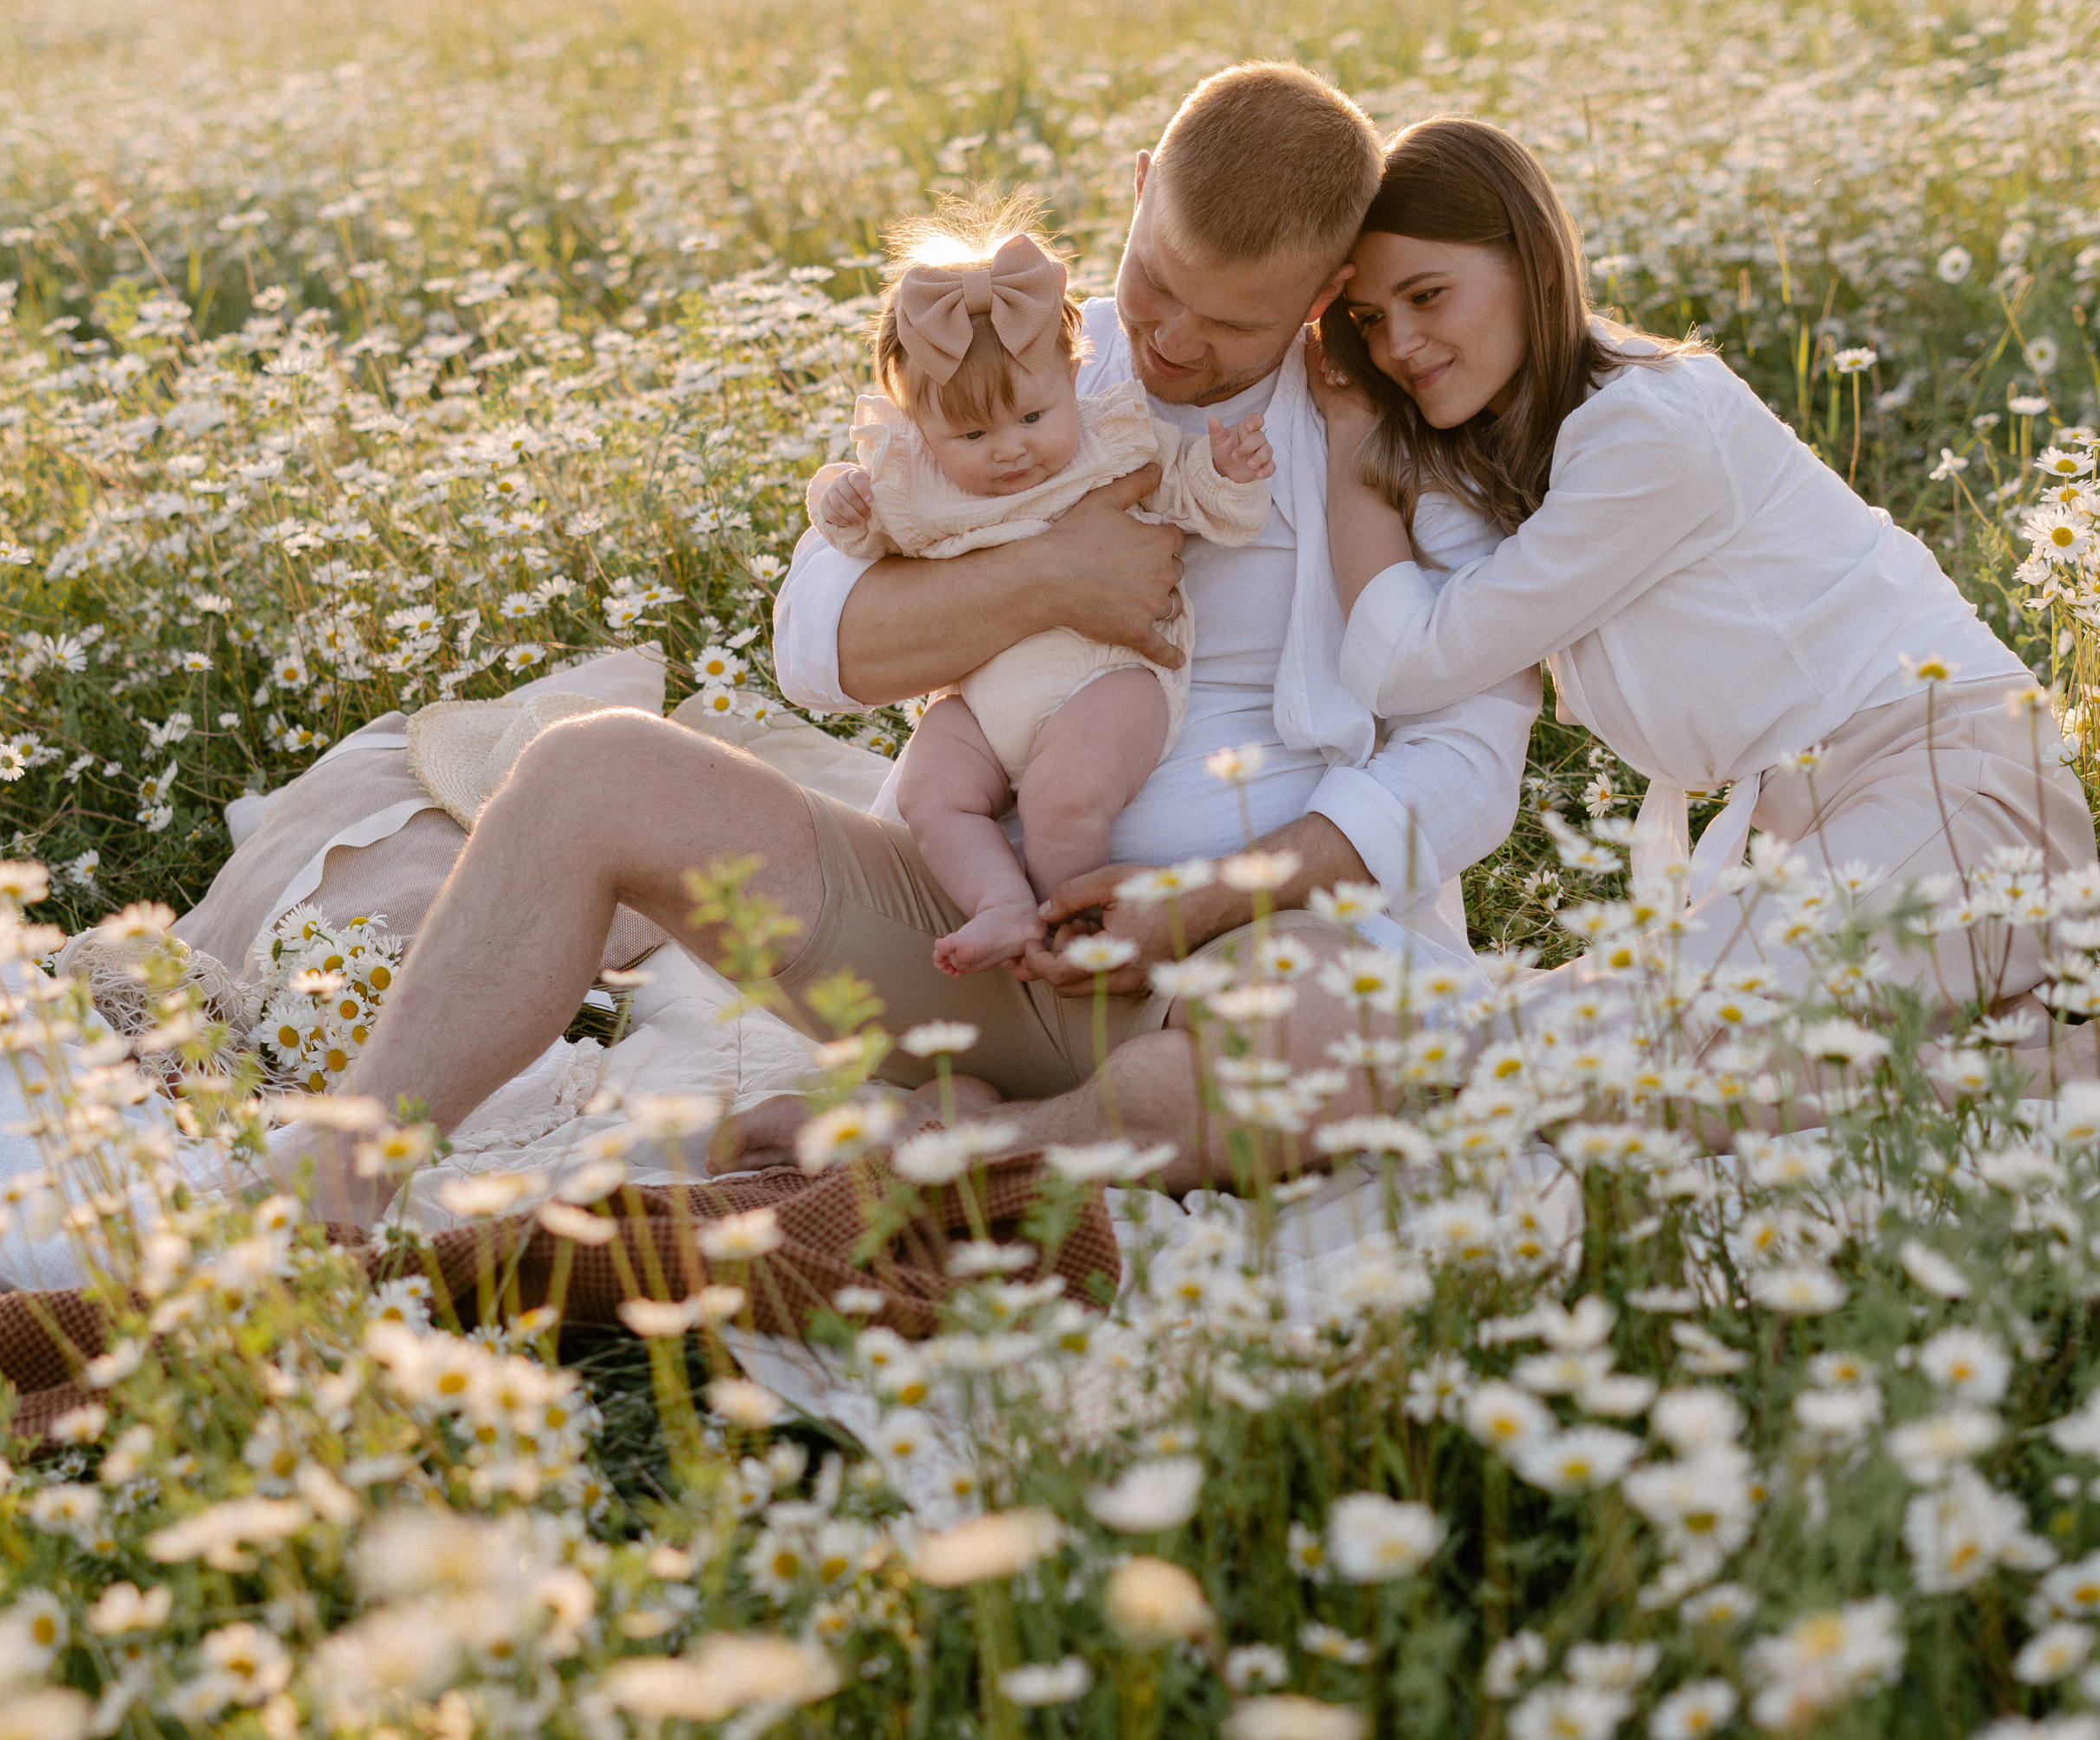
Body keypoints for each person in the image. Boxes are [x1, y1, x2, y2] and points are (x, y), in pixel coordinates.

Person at [312, 61, 1537, 1220]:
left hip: (1242, 971)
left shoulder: (1386, 440)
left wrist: (1204, 904)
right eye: (1157, 282)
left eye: (1230, 324)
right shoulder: (1010, 351)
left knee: (1346, 1035)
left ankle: (952, 1147)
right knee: (591, 771)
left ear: (1322, 296)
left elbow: (1472, 764)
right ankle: (336, 1175)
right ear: (1140, 182)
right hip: (959, 939)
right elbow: (814, 643)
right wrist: (1048, 576)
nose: (1169, 341)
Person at [1306, 114, 2095, 1011]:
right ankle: (2038, 1029)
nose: (1395, 347)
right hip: (1864, 821)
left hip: (1963, 796)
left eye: (1427, 295)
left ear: (1537, 266)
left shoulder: (1646, 430)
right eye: (1368, 319)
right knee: (1691, 1062)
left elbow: (1407, 664)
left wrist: (1349, 446)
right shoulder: (1536, 443)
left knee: (1603, 1042)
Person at [805, 204, 1274, 976]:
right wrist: (841, 503)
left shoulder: (1114, 438)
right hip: (983, 705)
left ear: (1074, 371)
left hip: (1109, 677)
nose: (1010, 450)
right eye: (972, 435)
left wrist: (1226, 472)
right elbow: (866, 543)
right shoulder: (917, 480)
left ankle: (1075, 928)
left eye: (1032, 415)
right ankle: (1003, 905)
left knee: (1064, 802)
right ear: (921, 423)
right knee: (931, 790)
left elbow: (1196, 496)